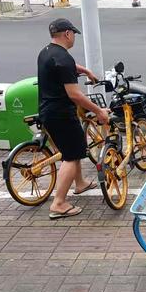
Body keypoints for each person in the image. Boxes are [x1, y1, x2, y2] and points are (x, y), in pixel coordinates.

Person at [37, 18, 109, 219]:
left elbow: (63, 66)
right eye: (74, 34)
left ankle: (80, 183)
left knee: (74, 149)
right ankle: (59, 203)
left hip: (48, 111)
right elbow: (75, 95)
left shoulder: (46, 52)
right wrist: (98, 111)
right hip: (61, 114)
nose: (74, 37)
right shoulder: (64, 58)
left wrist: (84, 70)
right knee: (70, 156)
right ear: (67, 34)